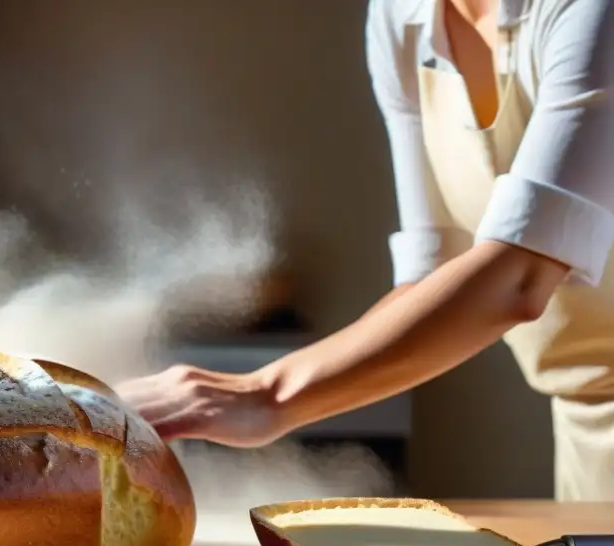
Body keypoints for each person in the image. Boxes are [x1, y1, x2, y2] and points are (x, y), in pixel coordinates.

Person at [115, 0, 614, 501]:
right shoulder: (403, 17)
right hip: (581, 431)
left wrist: (266, 395)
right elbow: (432, 279)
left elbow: (520, 276)